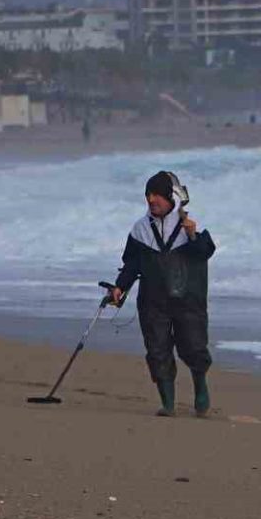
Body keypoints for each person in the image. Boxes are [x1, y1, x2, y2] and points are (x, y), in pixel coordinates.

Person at [107, 171, 217, 417]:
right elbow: (131, 264)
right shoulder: (140, 229)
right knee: (157, 350)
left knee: (193, 347)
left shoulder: (190, 224)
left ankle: (200, 386)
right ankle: (168, 404)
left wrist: (192, 236)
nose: (151, 200)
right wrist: (119, 287)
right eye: (148, 195)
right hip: (152, 301)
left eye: (157, 195)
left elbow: (206, 252)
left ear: (170, 197)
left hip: (188, 300)